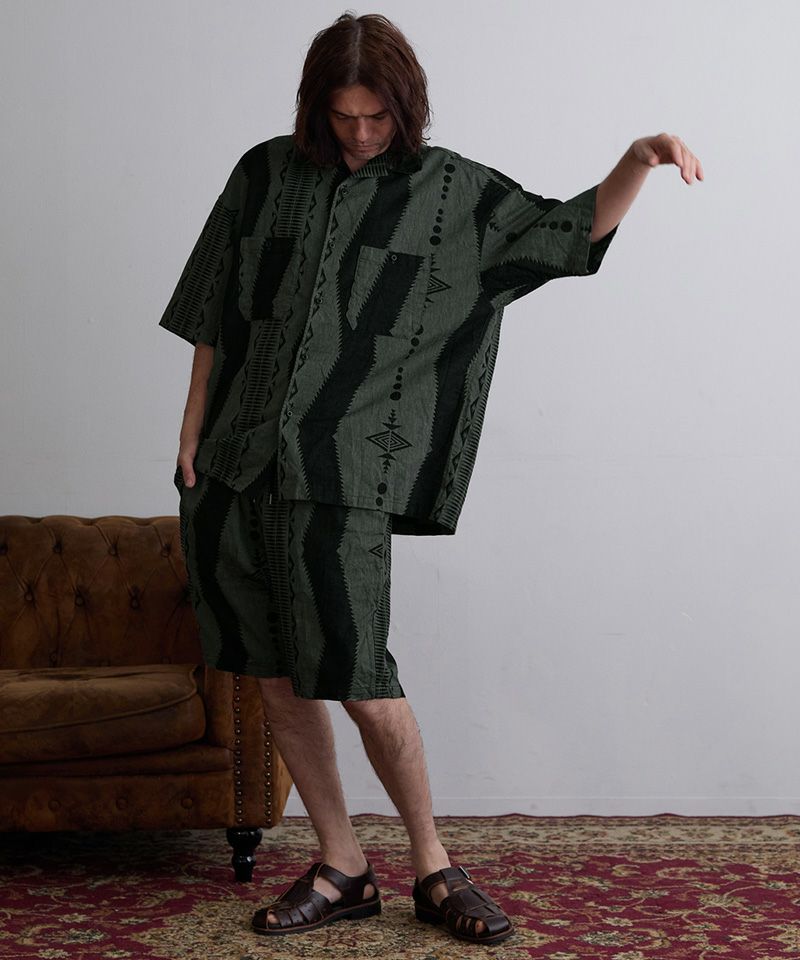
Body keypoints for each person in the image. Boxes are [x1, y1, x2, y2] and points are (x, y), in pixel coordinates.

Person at [158, 11, 703, 946]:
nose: (361, 133)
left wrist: (637, 160)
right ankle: (341, 865)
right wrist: (191, 427)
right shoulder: (263, 174)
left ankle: (434, 866)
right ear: (316, 107)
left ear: (405, 108)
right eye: (343, 116)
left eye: (377, 116)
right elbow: (213, 301)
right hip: (233, 470)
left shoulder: (451, 193)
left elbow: (566, 232)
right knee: (276, 681)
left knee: (363, 679)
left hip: (342, 477)